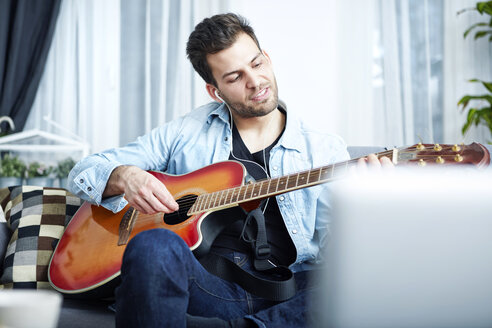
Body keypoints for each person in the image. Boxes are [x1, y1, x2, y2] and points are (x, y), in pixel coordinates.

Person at [68, 13, 391, 328]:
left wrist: (368, 207)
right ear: (215, 91)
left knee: (365, 281)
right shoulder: (186, 132)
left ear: (267, 57)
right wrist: (125, 176)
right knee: (152, 245)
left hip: (288, 293)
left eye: (256, 63)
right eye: (235, 77)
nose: (255, 82)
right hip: (207, 286)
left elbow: (336, 252)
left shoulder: (323, 150)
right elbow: (84, 171)